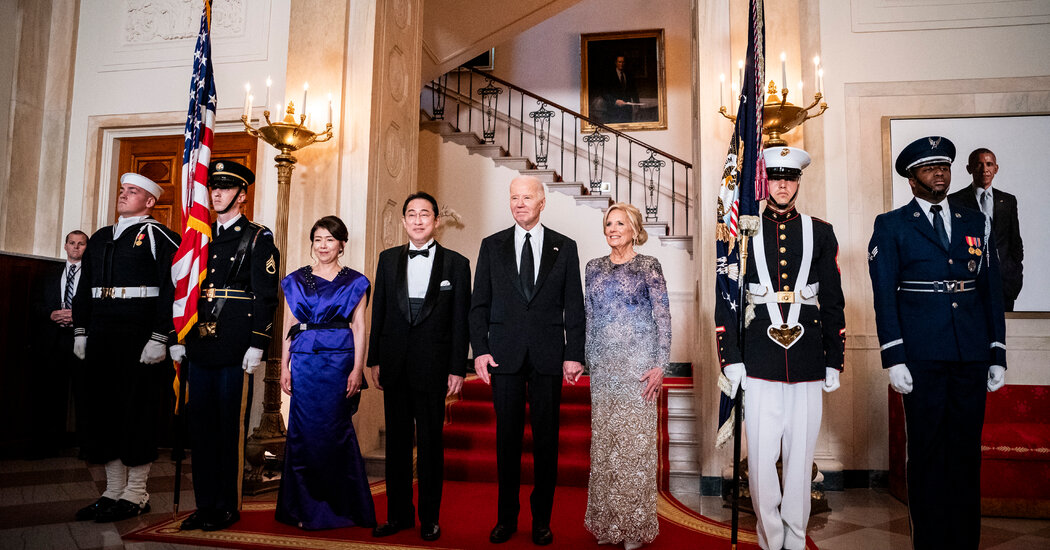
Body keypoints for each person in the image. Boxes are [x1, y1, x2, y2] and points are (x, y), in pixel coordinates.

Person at [869, 136, 1006, 549]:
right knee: (927, 455)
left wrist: (996, 352)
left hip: (970, 353)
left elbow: (991, 290)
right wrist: (894, 357)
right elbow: (884, 294)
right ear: (912, 180)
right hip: (921, 355)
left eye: (943, 167)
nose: (939, 174)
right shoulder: (892, 225)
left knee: (965, 455)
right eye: (929, 169)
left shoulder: (975, 220)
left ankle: (964, 543)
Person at [716, 147, 845, 550]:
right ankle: (770, 535)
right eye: (775, 178)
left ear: (798, 183)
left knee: (800, 455)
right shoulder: (743, 231)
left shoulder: (820, 231)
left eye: (790, 178)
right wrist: (730, 357)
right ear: (764, 182)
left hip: (807, 358)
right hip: (758, 357)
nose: (783, 185)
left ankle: (794, 535)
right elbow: (727, 298)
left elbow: (833, 300)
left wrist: (834, 359)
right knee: (760, 457)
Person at [469, 175, 586, 546]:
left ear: (542, 202)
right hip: (503, 356)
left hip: (549, 356)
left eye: (527, 198)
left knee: (547, 442)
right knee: (506, 441)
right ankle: (506, 519)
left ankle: (541, 521)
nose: (519, 204)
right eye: (514, 198)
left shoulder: (564, 247)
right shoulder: (492, 245)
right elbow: (479, 304)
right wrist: (480, 349)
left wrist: (574, 354)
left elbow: (575, 306)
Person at [171, 160, 280, 532]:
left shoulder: (257, 238)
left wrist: (258, 343)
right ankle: (204, 505)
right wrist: (178, 337)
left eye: (225, 188)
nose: (216, 193)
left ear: (242, 195)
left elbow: (266, 296)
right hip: (199, 345)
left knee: (229, 429)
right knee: (201, 429)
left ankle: (227, 506)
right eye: (213, 187)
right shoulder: (199, 237)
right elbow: (182, 289)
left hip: (236, 346)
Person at [71, 173, 180, 522]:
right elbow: (85, 287)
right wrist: (81, 330)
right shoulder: (101, 237)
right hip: (102, 331)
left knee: (137, 411)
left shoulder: (160, 236)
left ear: (150, 201)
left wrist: (161, 336)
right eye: (122, 190)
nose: (123, 194)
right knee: (104, 411)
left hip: (140, 333)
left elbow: (173, 288)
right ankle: (112, 491)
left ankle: (135, 493)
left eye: (132, 191)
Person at [367, 191, 471, 542]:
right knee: (396, 445)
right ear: (403, 221)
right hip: (394, 364)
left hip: (434, 367)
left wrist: (457, 368)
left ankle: (429, 518)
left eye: (425, 214)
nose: (418, 220)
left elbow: (460, 322)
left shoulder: (456, 264)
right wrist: (375, 359)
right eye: (411, 214)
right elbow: (379, 311)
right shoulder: (387, 260)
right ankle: (397, 515)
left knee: (430, 445)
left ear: (436, 221)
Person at [275, 215, 376, 531]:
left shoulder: (356, 281)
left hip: (338, 363)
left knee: (334, 432)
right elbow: (290, 324)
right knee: (303, 434)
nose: (323, 245)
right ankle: (301, 507)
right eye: (318, 239)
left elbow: (359, 327)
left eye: (330, 240)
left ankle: (341, 507)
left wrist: (357, 369)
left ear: (341, 244)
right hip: (304, 362)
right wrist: (284, 366)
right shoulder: (295, 280)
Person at [583, 203, 670, 550]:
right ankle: (608, 526)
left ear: (634, 229)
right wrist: (588, 361)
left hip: (638, 372)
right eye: (609, 223)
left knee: (633, 451)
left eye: (620, 223)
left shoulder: (649, 266)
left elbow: (663, 317)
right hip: (604, 372)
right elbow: (589, 317)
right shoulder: (593, 267)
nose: (613, 229)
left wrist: (661, 364)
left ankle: (633, 528)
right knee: (605, 450)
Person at [30, 230, 88, 457]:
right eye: (72, 243)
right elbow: (35, 304)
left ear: (86, 248)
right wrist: (51, 314)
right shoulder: (50, 274)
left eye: (81, 244)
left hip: (80, 339)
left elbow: (98, 307)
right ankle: (47, 445)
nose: (76, 247)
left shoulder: (92, 275)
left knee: (83, 393)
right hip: (53, 340)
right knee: (50, 393)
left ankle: (86, 447)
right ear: (65, 246)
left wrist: (78, 316)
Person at [948, 148, 1024, 311]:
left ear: (996, 168)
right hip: (969, 283)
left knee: (1003, 326)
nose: (985, 169)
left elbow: (1015, 242)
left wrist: (1014, 274)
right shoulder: (954, 201)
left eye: (989, 164)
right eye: (979, 164)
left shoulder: (1008, 201)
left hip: (1004, 283)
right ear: (969, 168)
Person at [599, 55, 639, 124]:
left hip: (627, 111)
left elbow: (634, 91)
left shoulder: (629, 75)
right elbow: (604, 93)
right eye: (620, 62)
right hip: (613, 110)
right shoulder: (609, 75)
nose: (622, 64)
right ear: (616, 63)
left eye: (623, 62)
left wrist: (637, 104)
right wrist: (615, 101)